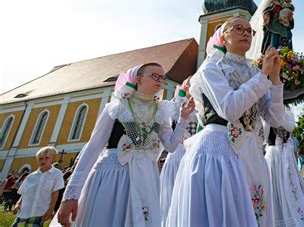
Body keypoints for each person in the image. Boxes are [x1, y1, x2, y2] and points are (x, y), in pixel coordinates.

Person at [167, 17, 283, 227]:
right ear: (223, 36)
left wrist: (275, 81)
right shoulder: (211, 68)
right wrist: (264, 76)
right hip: (219, 152)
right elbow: (229, 108)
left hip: (252, 154)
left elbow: (274, 118)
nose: (246, 33)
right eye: (239, 28)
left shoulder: (254, 72)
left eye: (250, 31)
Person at [57, 63, 195, 227]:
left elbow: (171, 146)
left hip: (147, 178)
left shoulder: (161, 111)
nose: (160, 80)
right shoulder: (117, 106)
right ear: (138, 79)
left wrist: (183, 118)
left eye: (162, 77)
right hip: (114, 176)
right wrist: (71, 194)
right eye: (154, 76)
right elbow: (93, 149)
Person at [264, 107, 304, 226]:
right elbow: (264, 134)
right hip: (273, 157)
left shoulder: (287, 112)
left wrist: (276, 113)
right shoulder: (265, 111)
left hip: (287, 156)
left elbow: (290, 126)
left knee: (293, 188)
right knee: (276, 190)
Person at [160, 77, 198, 226]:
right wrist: (182, 95)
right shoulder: (175, 105)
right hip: (177, 156)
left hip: (193, 155)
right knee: (171, 200)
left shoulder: (201, 106)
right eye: (189, 86)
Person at [12, 146, 64, 226]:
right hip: (24, 212)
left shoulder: (57, 174)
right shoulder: (31, 176)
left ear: (53, 158)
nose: (43, 160)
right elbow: (25, 192)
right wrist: (18, 204)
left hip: (40, 212)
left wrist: (51, 210)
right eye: (40, 158)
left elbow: (55, 193)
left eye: (46, 158)